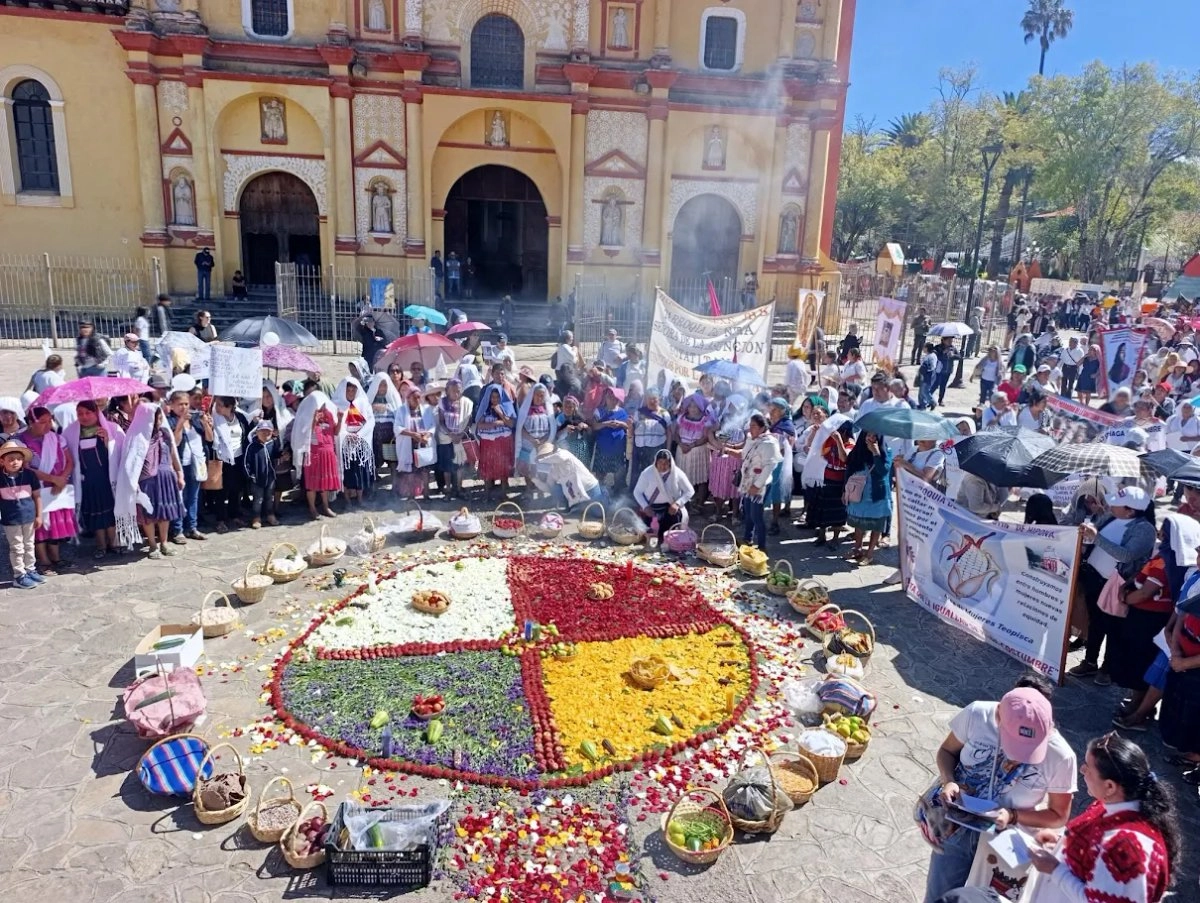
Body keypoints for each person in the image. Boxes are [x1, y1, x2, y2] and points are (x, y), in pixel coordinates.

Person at [941, 734, 1180, 903]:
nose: (1082, 771)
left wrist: (1054, 869)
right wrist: (1061, 842)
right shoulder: (1113, 806)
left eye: (1088, 767)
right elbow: (1094, 857)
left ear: (1109, 786)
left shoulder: (1128, 848)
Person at [922, 683, 1077, 903]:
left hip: (1006, 844)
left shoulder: (1061, 756)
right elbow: (947, 751)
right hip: (957, 829)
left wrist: (1013, 815)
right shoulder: (977, 714)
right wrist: (950, 782)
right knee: (939, 897)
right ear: (998, 717)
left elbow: (1059, 815)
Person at [1070, 486, 1157, 686]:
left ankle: (1107, 668)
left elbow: (1126, 555)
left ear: (1130, 511)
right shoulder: (1110, 517)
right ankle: (1090, 661)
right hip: (1095, 578)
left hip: (1115, 586)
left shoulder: (1144, 529)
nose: (1111, 505)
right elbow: (1094, 536)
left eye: (1116, 504)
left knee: (1114, 628)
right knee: (1095, 623)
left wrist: (1096, 537)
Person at [118, 402, 185, 559]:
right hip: (146, 481)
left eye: (161, 418)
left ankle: (164, 543)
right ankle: (152, 546)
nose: (159, 421)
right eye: (155, 418)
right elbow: (131, 461)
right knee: (148, 514)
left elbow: (174, 454)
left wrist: (179, 473)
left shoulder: (165, 434)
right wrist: (132, 483)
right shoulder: (135, 436)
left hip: (166, 478)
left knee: (164, 514)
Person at [17, 406, 75, 575]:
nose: (47, 425)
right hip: (36, 491)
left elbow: (69, 460)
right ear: (30, 423)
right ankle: (44, 561)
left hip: (57, 489)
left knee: (55, 525)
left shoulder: (57, 438)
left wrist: (62, 478)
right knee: (40, 526)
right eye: (42, 422)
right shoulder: (20, 443)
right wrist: (53, 479)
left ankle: (56, 558)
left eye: (50, 420)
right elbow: (26, 468)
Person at [63, 400, 123, 558]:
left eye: (87, 413)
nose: (84, 416)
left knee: (111, 513)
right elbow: (66, 456)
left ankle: (115, 542)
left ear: (96, 412)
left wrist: (107, 441)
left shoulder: (111, 429)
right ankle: (101, 545)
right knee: (95, 514)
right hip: (86, 482)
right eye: (80, 413)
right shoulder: (70, 433)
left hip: (107, 480)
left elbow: (121, 452)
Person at [799, 411, 852, 547]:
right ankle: (822, 536)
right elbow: (817, 452)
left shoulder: (850, 444)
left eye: (840, 430)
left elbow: (843, 458)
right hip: (826, 479)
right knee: (822, 509)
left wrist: (839, 441)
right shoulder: (828, 441)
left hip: (840, 482)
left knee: (837, 512)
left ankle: (834, 539)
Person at [0, 440, 44, 589]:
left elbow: (37, 496)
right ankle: (19, 575)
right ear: (3, 461)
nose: (15, 462)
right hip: (11, 520)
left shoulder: (30, 476)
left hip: (29, 517)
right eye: (10, 459)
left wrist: (39, 515)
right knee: (17, 547)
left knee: (29, 545)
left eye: (18, 459)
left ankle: (30, 569)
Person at [292, 390, 342, 519]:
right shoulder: (307, 414)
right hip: (313, 454)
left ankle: (325, 507)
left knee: (324, 482)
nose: (322, 407)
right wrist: (313, 421)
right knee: (312, 483)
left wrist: (340, 419)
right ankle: (312, 508)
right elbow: (304, 432)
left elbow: (335, 432)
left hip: (327, 451)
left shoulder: (329, 414)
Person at [845, 430, 892, 564]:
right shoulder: (858, 450)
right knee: (859, 523)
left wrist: (876, 453)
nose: (871, 438)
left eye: (874, 435)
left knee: (876, 525)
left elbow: (883, 471)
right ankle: (857, 548)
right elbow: (849, 468)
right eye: (868, 435)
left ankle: (869, 554)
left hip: (877, 494)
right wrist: (845, 490)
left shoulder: (886, 451)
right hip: (859, 494)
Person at [739, 412, 782, 551]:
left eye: (754, 426)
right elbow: (744, 454)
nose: (750, 429)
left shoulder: (769, 443)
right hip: (748, 482)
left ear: (763, 428)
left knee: (756, 516)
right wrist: (727, 449)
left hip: (759, 484)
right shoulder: (753, 439)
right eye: (750, 426)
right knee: (748, 513)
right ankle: (747, 539)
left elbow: (769, 466)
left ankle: (762, 546)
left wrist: (756, 486)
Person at [634, 448, 695, 542]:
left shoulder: (677, 473)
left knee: (667, 535)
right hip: (651, 509)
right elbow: (637, 492)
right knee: (647, 534)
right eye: (660, 462)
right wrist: (645, 507)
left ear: (670, 463)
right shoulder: (647, 473)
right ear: (655, 462)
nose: (663, 466)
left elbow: (690, 491)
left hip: (670, 509)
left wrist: (677, 504)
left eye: (666, 463)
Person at [333, 377, 375, 507]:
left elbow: (370, 421)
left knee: (360, 471)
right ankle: (347, 500)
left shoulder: (363, 403)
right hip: (345, 444)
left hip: (360, 442)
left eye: (353, 390)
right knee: (347, 472)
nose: (351, 392)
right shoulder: (336, 404)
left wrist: (359, 435)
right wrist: (347, 435)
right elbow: (335, 424)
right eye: (348, 390)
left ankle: (360, 498)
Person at [209, 396, 249, 533]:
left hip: (238, 458)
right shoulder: (215, 419)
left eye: (220, 405)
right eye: (217, 404)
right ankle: (220, 519)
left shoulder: (240, 418)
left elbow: (246, 433)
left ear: (229, 406)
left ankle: (234, 514)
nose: (217, 407)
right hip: (222, 459)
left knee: (236, 489)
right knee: (221, 490)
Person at [392, 384, 437, 500]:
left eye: (419, 397)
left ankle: (426, 494)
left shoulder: (426, 410)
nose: (417, 400)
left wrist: (426, 434)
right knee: (411, 472)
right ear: (408, 398)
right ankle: (411, 495)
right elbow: (397, 428)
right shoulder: (401, 411)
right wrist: (412, 434)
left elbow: (432, 425)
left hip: (423, 445)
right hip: (409, 446)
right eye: (414, 397)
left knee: (425, 471)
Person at [474, 382, 516, 500]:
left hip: (503, 442)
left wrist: (500, 414)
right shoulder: (485, 410)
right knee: (488, 467)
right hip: (489, 444)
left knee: (503, 467)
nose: (495, 399)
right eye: (492, 397)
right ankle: (486, 494)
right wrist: (495, 424)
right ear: (488, 397)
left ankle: (503, 494)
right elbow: (480, 425)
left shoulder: (506, 408)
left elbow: (511, 423)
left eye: (497, 397)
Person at [434, 379, 474, 499]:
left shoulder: (466, 403)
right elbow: (441, 422)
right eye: (453, 391)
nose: (456, 393)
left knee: (460, 465)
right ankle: (448, 489)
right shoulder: (443, 402)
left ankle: (459, 488)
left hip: (460, 438)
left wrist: (461, 435)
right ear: (447, 391)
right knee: (447, 466)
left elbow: (469, 421)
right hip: (446, 438)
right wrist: (450, 434)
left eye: (458, 391)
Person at [515, 383, 556, 486]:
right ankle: (529, 488)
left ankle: (540, 489)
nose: (539, 397)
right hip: (528, 445)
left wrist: (543, 441)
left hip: (542, 445)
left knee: (541, 469)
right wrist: (532, 440)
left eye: (542, 395)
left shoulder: (548, 411)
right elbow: (521, 428)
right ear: (532, 395)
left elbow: (551, 429)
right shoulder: (525, 410)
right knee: (528, 469)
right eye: (537, 395)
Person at [765, 397, 796, 532]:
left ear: (783, 411)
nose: (771, 412)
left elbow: (784, 447)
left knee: (776, 492)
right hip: (770, 461)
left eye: (775, 409)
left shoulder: (786, 426)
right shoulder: (774, 424)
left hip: (779, 464)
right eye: (771, 408)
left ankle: (775, 521)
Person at [591, 387, 629, 492]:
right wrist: (606, 423)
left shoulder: (622, 412)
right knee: (600, 475)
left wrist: (621, 424)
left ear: (617, 400)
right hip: (603, 448)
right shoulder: (599, 411)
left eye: (614, 398)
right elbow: (594, 426)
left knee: (618, 474)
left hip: (618, 449)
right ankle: (599, 494)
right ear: (605, 398)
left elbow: (628, 426)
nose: (611, 400)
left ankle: (617, 496)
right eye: (609, 397)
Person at [243, 421, 279, 528]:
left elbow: (276, 455)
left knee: (269, 497)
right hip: (257, 479)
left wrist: (283, 455)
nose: (265, 434)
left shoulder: (273, 444)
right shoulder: (252, 446)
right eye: (262, 431)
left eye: (268, 432)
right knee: (257, 499)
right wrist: (250, 476)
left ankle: (270, 515)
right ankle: (256, 518)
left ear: (272, 433)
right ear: (257, 432)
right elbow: (246, 463)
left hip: (270, 477)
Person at [917, 342, 939, 410]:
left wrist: (923, 372)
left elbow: (929, 367)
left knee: (925, 391)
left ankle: (932, 402)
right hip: (929, 375)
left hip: (927, 376)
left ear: (926, 348)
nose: (923, 349)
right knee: (921, 391)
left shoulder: (930, 357)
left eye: (924, 347)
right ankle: (922, 404)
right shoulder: (931, 355)